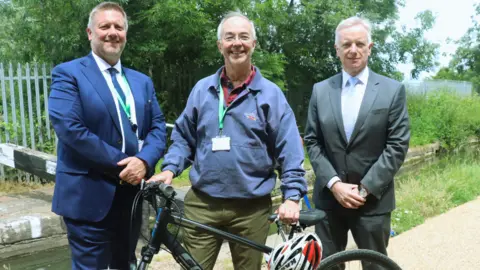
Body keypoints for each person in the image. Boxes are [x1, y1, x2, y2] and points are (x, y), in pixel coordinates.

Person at [148, 11, 307, 270]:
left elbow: (289, 149)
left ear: (253, 44)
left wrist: (292, 197)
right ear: (219, 45)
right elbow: (184, 138)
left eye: (244, 37)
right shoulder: (202, 90)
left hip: (251, 209)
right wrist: (169, 169)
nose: (237, 43)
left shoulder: (270, 95)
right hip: (203, 203)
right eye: (229, 37)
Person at [48, 2, 167, 269]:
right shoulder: (69, 74)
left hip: (132, 197)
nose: (112, 32)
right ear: (90, 33)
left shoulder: (140, 81)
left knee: (126, 263)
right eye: (105, 26)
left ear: (125, 33)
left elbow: (158, 127)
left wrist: (145, 162)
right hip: (88, 196)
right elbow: (71, 129)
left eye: (118, 27)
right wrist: (127, 164)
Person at [304, 16, 410, 269]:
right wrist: (335, 185)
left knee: (375, 266)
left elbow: (397, 145)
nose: (353, 50)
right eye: (347, 44)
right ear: (337, 50)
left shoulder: (391, 90)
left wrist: (363, 189)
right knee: (327, 265)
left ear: (369, 48)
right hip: (329, 201)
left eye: (360, 44)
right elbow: (312, 140)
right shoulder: (321, 90)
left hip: (372, 202)